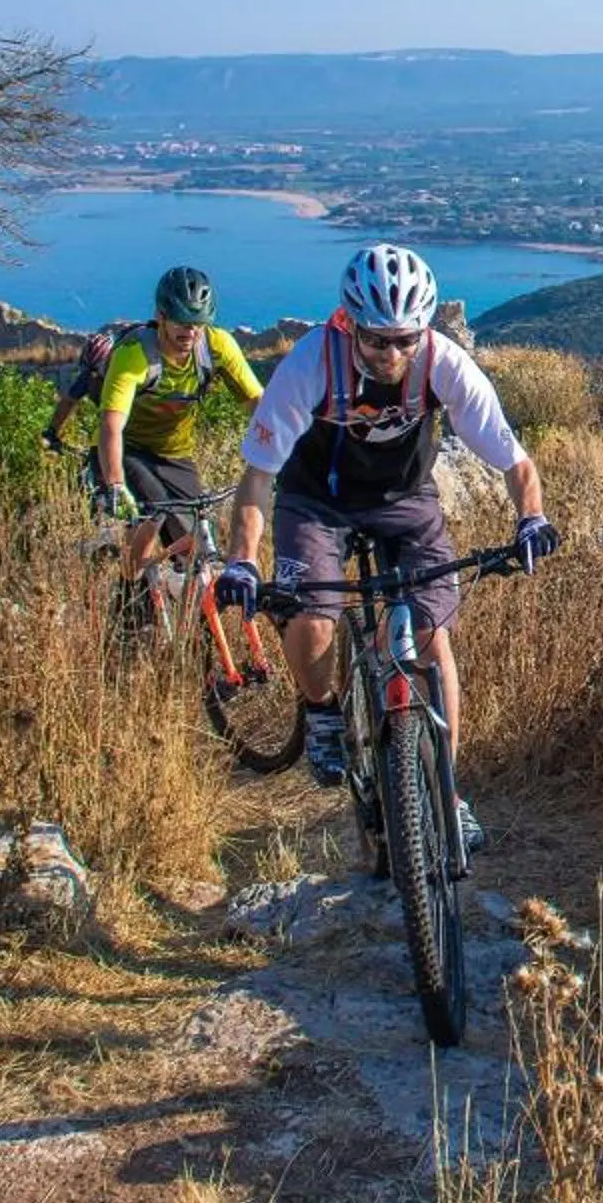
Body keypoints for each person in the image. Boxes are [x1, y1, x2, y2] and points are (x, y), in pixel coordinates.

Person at [215, 244, 556, 834]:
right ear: (349, 324)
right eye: (377, 340)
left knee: (431, 637)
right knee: (312, 616)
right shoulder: (310, 364)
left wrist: (531, 518)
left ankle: (446, 797)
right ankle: (322, 713)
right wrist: (242, 561)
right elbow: (257, 479)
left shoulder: (444, 363)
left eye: (406, 339)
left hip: (405, 500)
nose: (393, 353)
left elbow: (514, 461)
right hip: (316, 500)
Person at [77, 266, 266, 595]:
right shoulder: (134, 355)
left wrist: (291, 452)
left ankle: (196, 633)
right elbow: (111, 425)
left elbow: (259, 405)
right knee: (155, 512)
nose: (190, 332)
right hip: (126, 450)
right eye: (181, 321)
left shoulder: (216, 346)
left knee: (196, 545)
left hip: (174, 455)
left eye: (198, 324)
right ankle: (128, 600)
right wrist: (117, 484)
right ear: (161, 316)